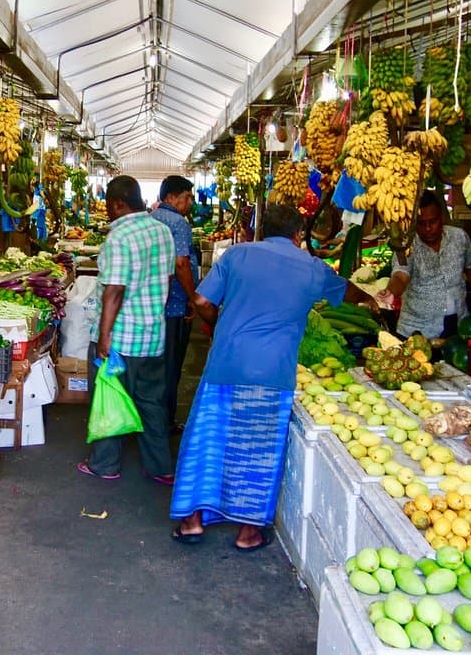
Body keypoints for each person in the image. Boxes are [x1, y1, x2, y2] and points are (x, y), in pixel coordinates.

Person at [170, 204, 379, 550]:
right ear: (299, 235)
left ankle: (192, 521)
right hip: (273, 372)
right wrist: (372, 300)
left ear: (262, 231)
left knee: (208, 439)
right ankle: (248, 532)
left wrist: (218, 324)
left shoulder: (237, 256)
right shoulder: (312, 268)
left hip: (226, 363)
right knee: (256, 448)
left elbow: (202, 299)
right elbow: (347, 293)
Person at [77, 175, 177, 485]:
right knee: (151, 401)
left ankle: (105, 464)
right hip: (153, 335)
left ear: (119, 204)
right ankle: (160, 465)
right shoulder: (163, 231)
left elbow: (114, 290)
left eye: (108, 206)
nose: (107, 211)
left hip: (122, 338)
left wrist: (104, 336)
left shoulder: (118, 238)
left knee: (111, 398)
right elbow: (168, 280)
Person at [379, 190, 471, 339]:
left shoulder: (459, 237)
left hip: (458, 326)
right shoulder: (407, 245)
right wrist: (390, 292)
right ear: (413, 223)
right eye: (421, 223)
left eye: (433, 222)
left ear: (442, 218)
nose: (428, 228)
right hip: (417, 330)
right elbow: (401, 275)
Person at [150, 175, 197, 435]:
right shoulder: (179, 223)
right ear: (170, 197)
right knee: (170, 366)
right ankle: (164, 421)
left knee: (154, 366)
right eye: (186, 197)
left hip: (152, 307)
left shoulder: (150, 219)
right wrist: (193, 298)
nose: (190, 202)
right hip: (174, 306)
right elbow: (181, 264)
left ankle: (150, 417)